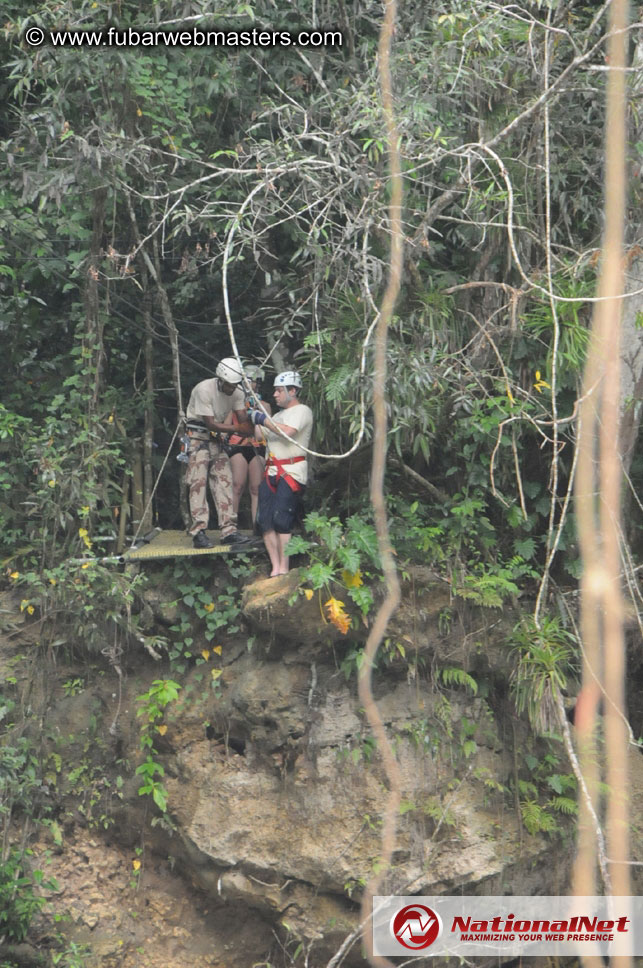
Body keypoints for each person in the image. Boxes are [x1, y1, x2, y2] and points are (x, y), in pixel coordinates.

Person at [185, 358, 253, 548]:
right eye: (229, 385)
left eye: (234, 385)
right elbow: (210, 424)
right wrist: (238, 428)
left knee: (224, 481)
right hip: (198, 437)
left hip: (217, 440)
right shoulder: (204, 389)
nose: (232, 389)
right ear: (221, 380)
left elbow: (243, 421)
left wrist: (247, 424)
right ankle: (199, 531)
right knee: (198, 482)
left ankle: (228, 530)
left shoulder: (238, 392)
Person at [249, 371, 313, 576]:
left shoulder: (302, 411)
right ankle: (275, 566)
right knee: (265, 520)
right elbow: (261, 436)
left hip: (291, 471)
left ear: (292, 391)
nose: (275, 395)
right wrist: (257, 415)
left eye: (279, 391)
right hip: (272, 471)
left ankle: (284, 567)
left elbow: (288, 432)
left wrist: (263, 418)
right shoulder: (275, 416)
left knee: (282, 520)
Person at [223, 365, 272, 527]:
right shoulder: (234, 403)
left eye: (255, 382)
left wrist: (257, 410)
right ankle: (231, 526)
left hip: (257, 447)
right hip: (238, 446)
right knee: (237, 485)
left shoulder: (264, 405)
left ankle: (258, 527)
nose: (253, 385)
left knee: (256, 488)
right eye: (249, 381)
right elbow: (226, 426)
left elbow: (268, 428)